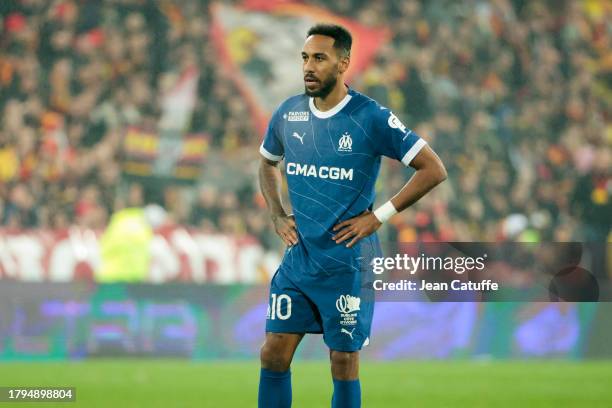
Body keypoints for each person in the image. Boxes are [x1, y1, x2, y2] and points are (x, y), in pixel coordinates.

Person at [258, 24, 447, 408]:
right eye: (305, 58)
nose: (309, 67)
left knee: (343, 360)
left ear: (344, 63)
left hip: (348, 262)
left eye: (320, 58)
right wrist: (277, 214)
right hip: (300, 261)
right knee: (273, 352)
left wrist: (378, 216)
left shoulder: (370, 117)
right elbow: (266, 163)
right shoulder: (288, 113)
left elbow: (433, 168)